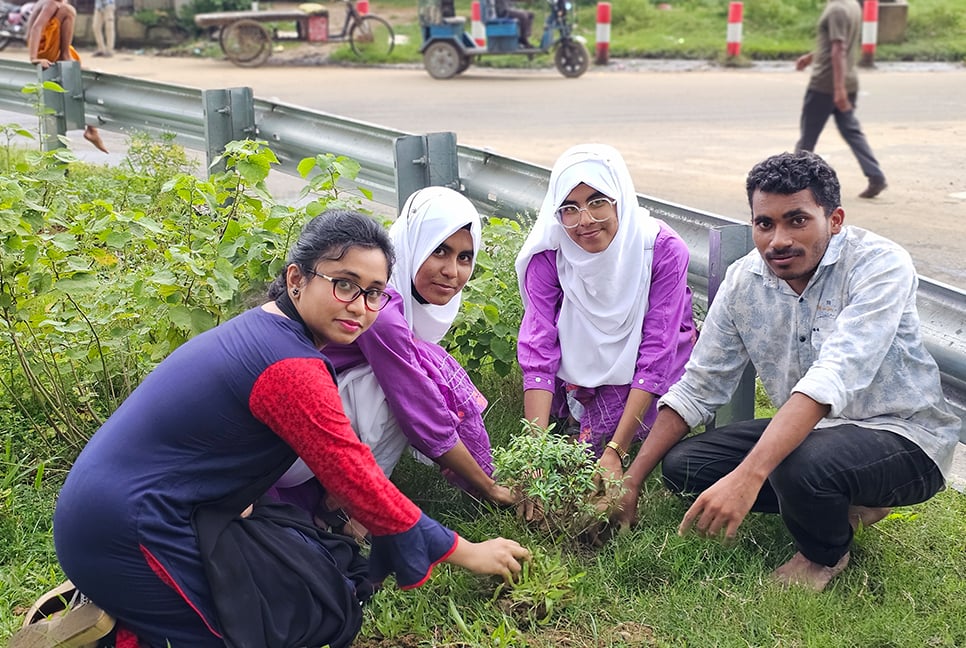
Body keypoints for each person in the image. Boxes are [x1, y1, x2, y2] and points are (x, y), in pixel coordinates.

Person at [51, 210, 529, 647]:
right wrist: (464, 550)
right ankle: (117, 628)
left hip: (128, 511)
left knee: (293, 591)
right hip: (124, 530)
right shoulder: (289, 365)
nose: (360, 306)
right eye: (345, 284)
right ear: (296, 280)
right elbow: (353, 474)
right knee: (242, 634)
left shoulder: (268, 329)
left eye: (374, 292)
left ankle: (125, 613)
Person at [615, 151, 960, 592]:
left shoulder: (878, 265)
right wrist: (630, 480)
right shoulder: (744, 282)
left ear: (834, 219)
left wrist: (750, 474)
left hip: (904, 436)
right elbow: (700, 385)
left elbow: (832, 375)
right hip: (817, 433)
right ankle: (840, 500)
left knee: (796, 463)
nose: (778, 240)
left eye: (797, 220)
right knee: (684, 465)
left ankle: (824, 554)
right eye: (765, 224)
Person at [275, 187, 516, 522]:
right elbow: (422, 413)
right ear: (413, 246)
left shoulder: (387, 299)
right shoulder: (380, 309)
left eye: (464, 258)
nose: (452, 271)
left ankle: (344, 496)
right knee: (405, 384)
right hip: (284, 448)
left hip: (297, 436)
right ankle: (356, 511)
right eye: (439, 251)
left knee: (415, 370)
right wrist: (487, 486)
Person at [515, 143, 696, 480]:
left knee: (596, 447)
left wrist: (616, 451)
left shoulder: (663, 251)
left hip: (650, 371)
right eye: (570, 208)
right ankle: (575, 416)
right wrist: (534, 454)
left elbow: (658, 349)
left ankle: (597, 429)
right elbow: (538, 348)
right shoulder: (549, 256)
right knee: (563, 448)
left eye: (598, 202)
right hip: (577, 367)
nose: (585, 220)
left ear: (620, 199)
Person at [795, 0, 886, 199]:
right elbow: (834, 43)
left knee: (808, 137)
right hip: (848, 79)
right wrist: (812, 57)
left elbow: (839, 48)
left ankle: (792, 183)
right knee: (851, 131)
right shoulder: (852, 5)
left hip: (826, 84)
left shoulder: (837, 9)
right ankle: (875, 175)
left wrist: (838, 89)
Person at [25, 0, 107, 153]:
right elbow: (36, 27)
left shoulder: (51, 3)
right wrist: (33, 58)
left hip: (46, 47)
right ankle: (65, 56)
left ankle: (92, 129)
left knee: (80, 76)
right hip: (43, 50)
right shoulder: (52, 3)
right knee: (68, 10)